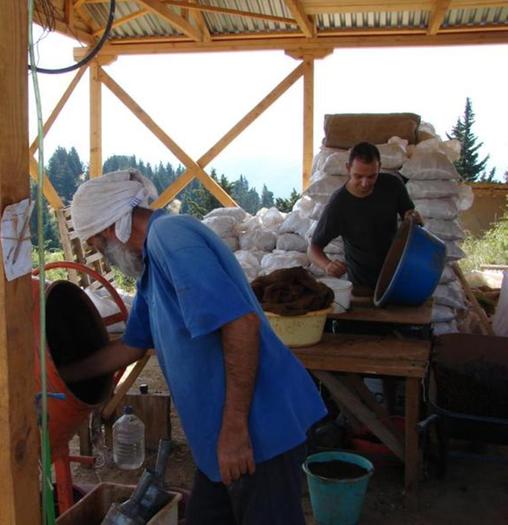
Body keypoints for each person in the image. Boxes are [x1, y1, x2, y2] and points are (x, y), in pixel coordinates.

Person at [63, 169, 326, 525]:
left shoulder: (171, 238)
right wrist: (61, 376)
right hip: (218, 438)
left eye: (97, 245)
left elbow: (241, 325)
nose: (105, 256)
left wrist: (234, 429)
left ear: (111, 229)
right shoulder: (151, 268)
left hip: (257, 430)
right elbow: (132, 346)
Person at [308, 142, 423, 295]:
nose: (365, 183)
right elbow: (313, 249)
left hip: (397, 274)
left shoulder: (392, 185)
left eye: (371, 176)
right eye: (358, 176)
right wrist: (328, 265)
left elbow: (408, 214)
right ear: (348, 168)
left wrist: (413, 217)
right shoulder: (339, 205)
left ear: (379, 167)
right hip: (362, 284)